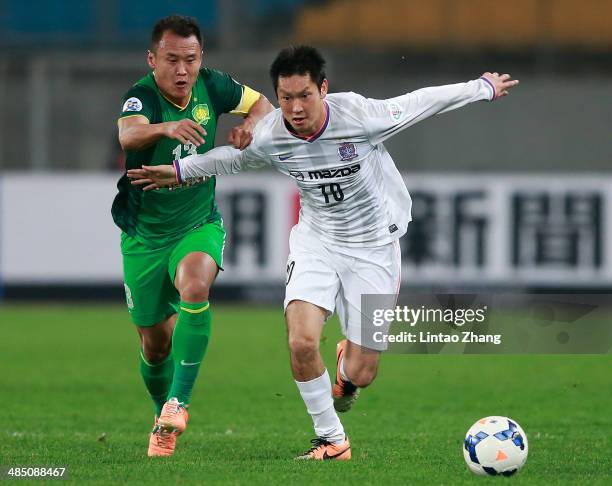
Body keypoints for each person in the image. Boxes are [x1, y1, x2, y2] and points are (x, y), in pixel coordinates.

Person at [128, 45, 519, 460]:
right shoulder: (272, 133)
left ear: (323, 89)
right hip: (316, 242)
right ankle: (332, 440)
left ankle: (347, 372)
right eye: (285, 97)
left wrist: (482, 88)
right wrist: (179, 171)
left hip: (373, 248)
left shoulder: (358, 116)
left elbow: (420, 102)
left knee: (363, 373)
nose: (295, 107)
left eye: (304, 95)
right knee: (300, 342)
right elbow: (230, 161)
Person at [111, 15, 273, 457]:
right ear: (152, 59)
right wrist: (166, 128)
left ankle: (179, 403)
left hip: (197, 223)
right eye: (171, 60)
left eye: (191, 60)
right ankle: (162, 413)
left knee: (196, 284)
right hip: (144, 235)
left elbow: (263, 106)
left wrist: (250, 128)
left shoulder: (213, 85)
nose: (182, 71)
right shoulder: (141, 96)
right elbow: (128, 136)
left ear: (201, 59)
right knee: (154, 342)